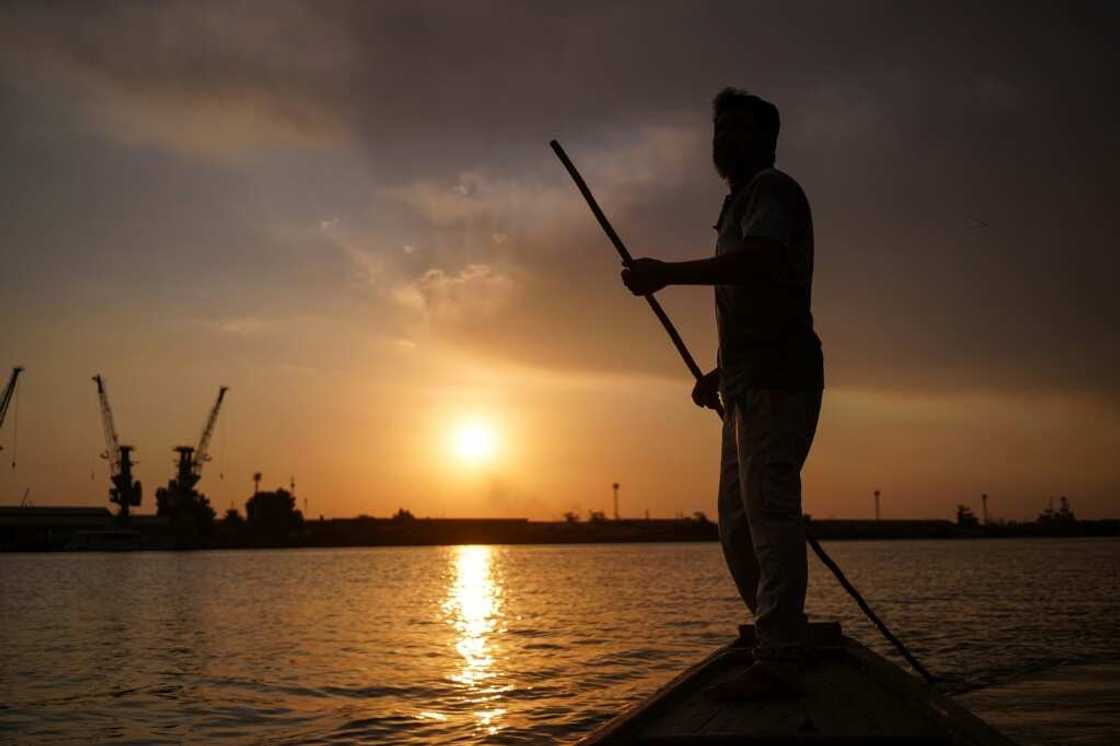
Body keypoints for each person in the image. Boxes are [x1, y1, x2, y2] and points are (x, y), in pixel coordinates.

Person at [621, 88, 824, 699]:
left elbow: (760, 265)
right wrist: (717, 372)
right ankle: (776, 634)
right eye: (720, 131)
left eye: (738, 130)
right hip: (742, 384)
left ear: (766, 139)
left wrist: (666, 275)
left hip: (779, 381)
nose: (725, 141)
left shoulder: (772, 191)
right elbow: (749, 304)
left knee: (769, 513)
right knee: (736, 525)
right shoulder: (736, 205)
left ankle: (782, 656)